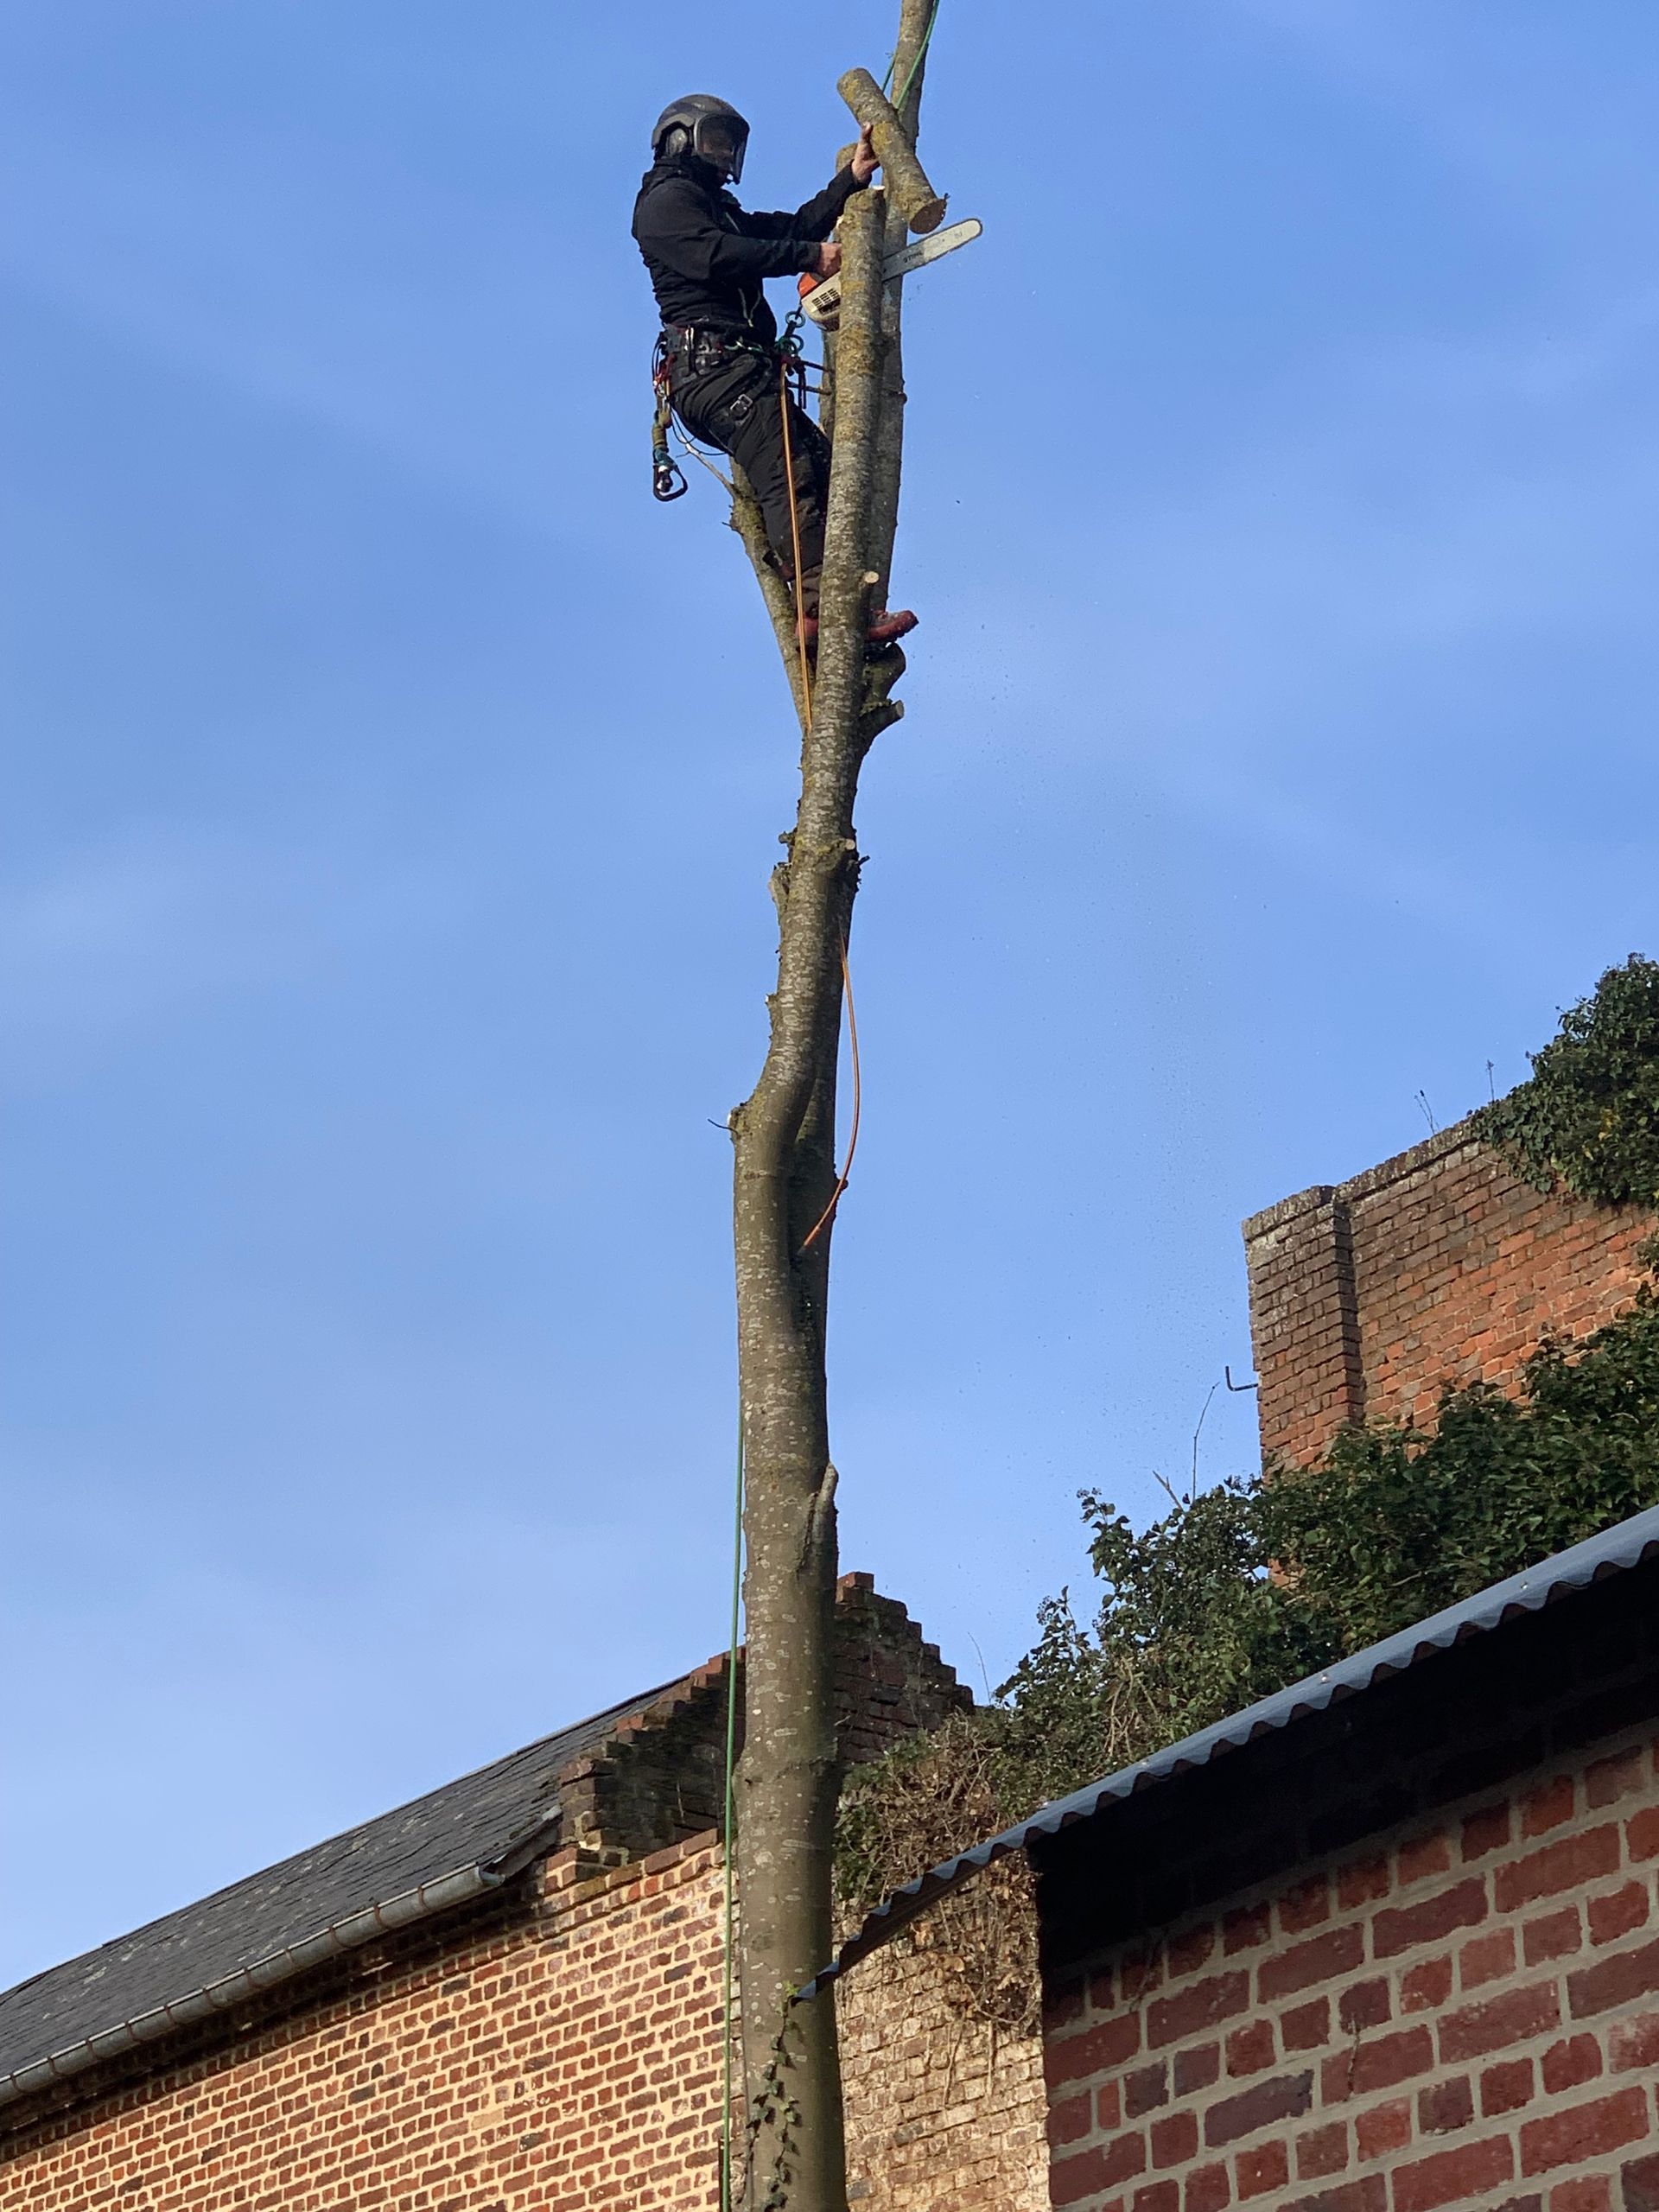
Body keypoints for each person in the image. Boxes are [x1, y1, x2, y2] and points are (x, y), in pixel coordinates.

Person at [632, 94, 918, 651]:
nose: (722, 156)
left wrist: (850, 181)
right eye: (713, 142)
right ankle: (819, 610)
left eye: (729, 146)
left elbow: (783, 228)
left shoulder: (716, 206)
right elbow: (723, 255)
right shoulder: (666, 204)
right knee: (793, 476)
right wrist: (809, 257)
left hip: (740, 369)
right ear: (678, 139)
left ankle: (847, 600)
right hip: (716, 373)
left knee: (828, 470)